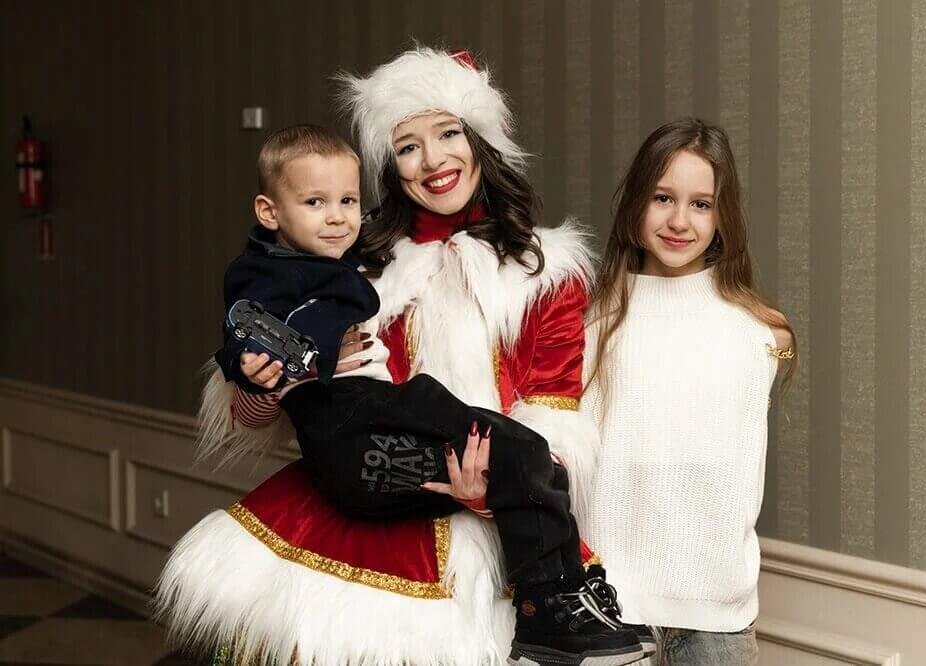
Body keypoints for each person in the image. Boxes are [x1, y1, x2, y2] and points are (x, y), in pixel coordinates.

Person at [156, 47, 630, 666]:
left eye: (449, 134)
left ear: (481, 141)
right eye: (408, 146)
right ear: (388, 164)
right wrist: (264, 384)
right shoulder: (348, 264)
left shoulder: (549, 273)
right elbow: (260, 414)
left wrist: (485, 488)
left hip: (503, 523)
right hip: (370, 495)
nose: (432, 160)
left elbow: (555, 414)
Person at [582, 118, 797, 666]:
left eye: (701, 204)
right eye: (663, 198)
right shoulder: (589, 323)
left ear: (723, 216)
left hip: (717, 620)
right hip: (606, 608)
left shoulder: (763, 333)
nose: (680, 220)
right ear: (636, 203)